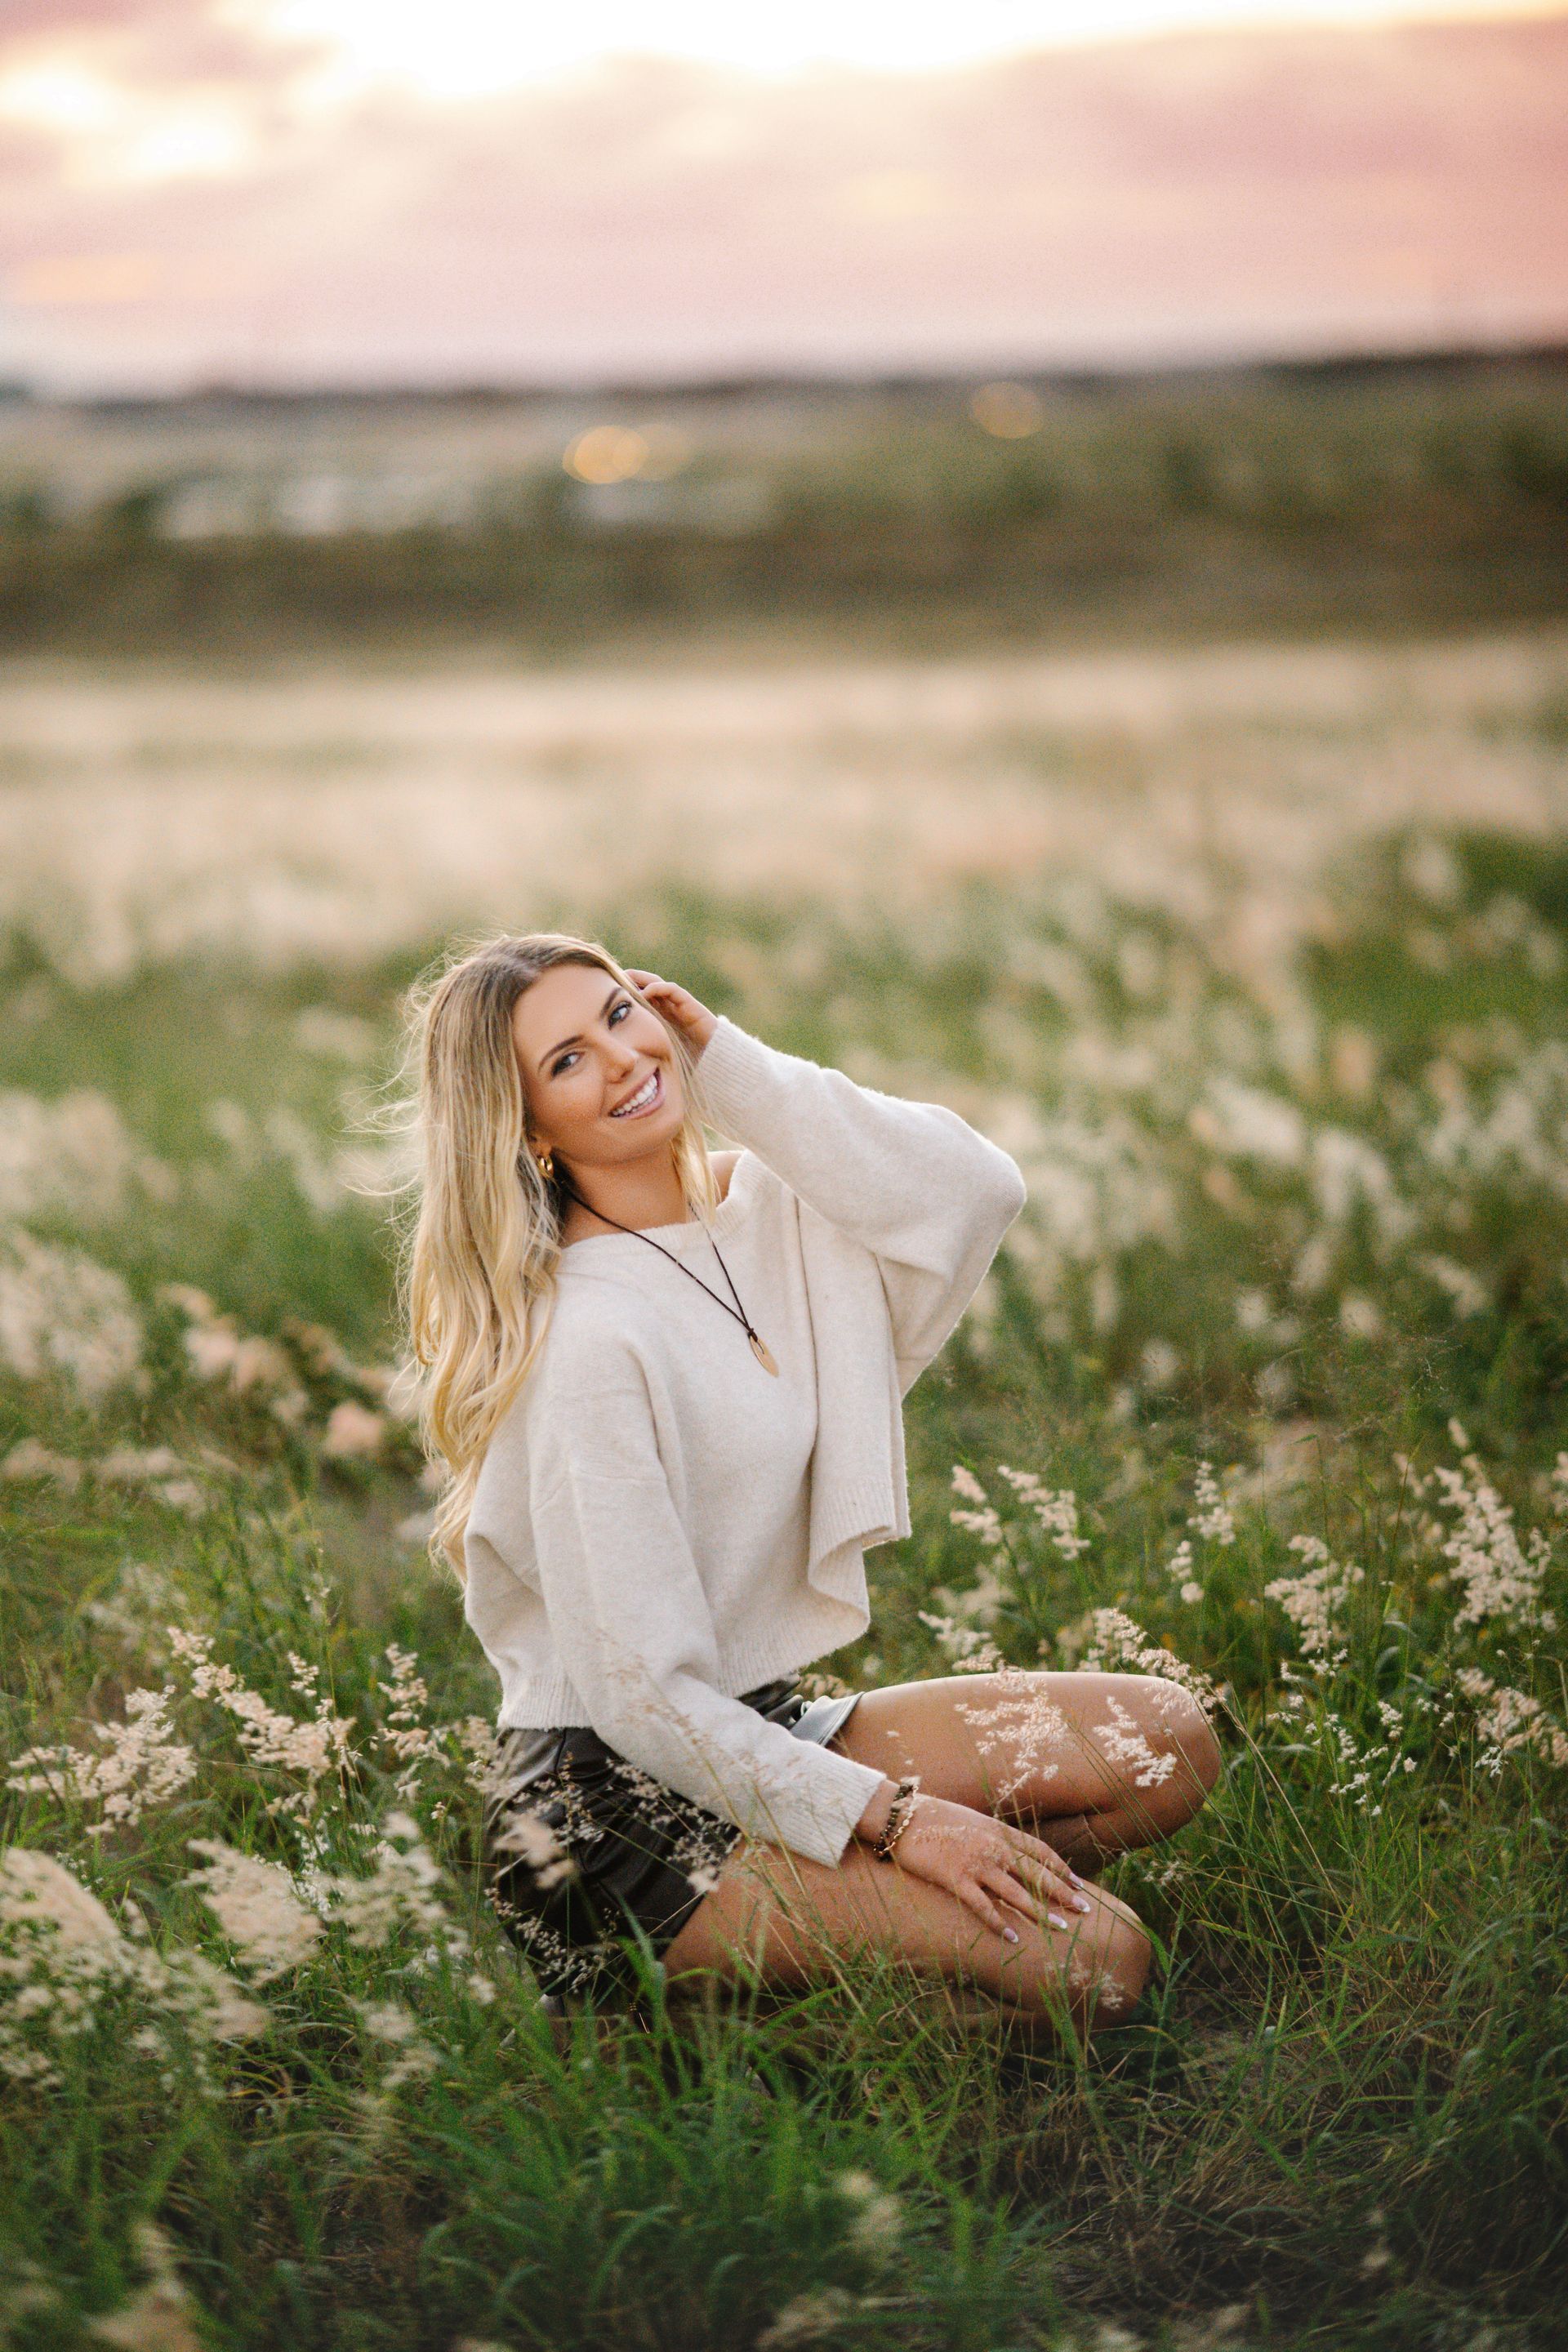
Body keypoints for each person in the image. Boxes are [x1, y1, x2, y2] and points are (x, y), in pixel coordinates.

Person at [398, 930, 1221, 2041]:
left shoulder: (775, 1215)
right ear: (528, 1132)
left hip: (758, 1728)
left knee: (1163, 1742)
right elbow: (644, 1702)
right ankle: (671, 2015)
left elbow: (975, 1189)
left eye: (620, 1013)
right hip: (609, 1824)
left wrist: (730, 1065)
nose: (623, 1059)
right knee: (1103, 1963)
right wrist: (901, 1826)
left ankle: (853, 1946)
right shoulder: (583, 1344)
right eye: (567, 1061)